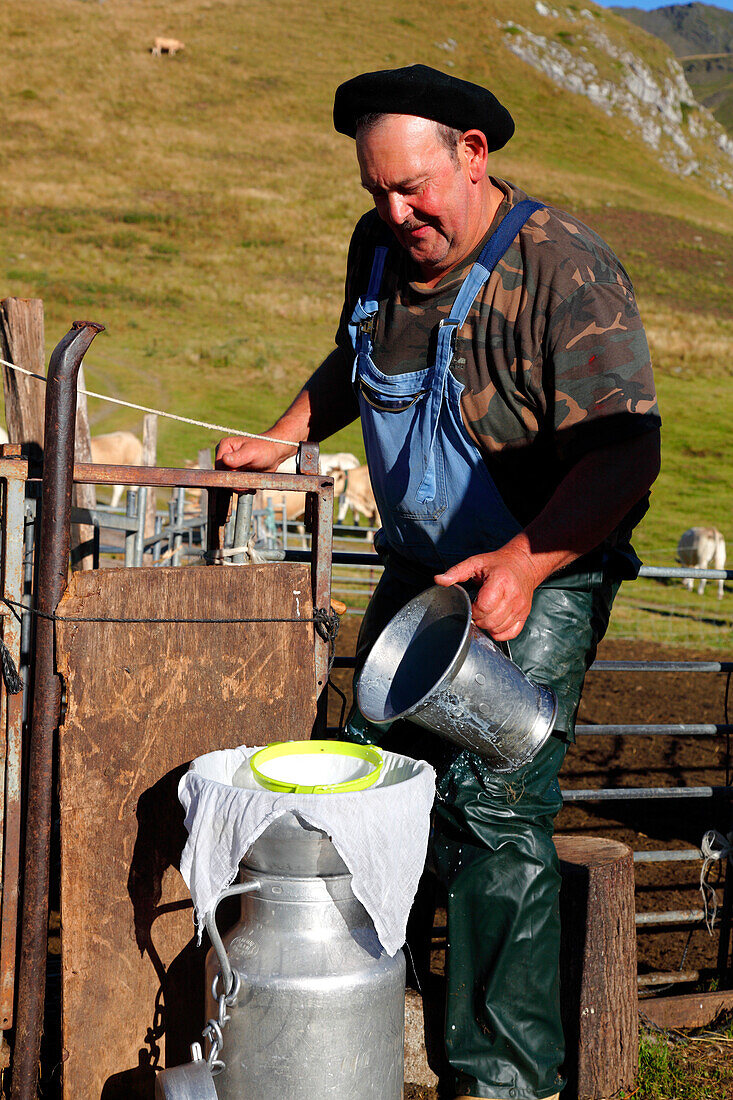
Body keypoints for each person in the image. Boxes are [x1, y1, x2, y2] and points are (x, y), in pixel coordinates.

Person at [217, 64, 661, 1100]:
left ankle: (504, 1077)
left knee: (496, 800)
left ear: (473, 153)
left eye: (414, 185)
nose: (395, 210)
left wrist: (529, 560)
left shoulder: (560, 266)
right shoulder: (377, 251)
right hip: (424, 566)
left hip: (544, 560)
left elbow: (624, 454)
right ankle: (366, 1024)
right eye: (376, 189)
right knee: (366, 777)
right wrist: (283, 435)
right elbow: (353, 362)